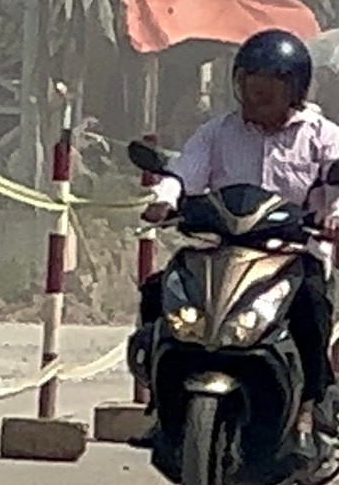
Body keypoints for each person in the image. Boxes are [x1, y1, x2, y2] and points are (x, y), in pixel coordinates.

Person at [141, 28, 339, 434]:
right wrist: (165, 199)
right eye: (251, 82)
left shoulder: (322, 136)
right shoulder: (218, 132)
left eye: (270, 84)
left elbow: (336, 183)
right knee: (159, 290)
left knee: (313, 306)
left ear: (295, 88)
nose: (258, 93)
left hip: (293, 255)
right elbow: (184, 172)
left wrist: (334, 215)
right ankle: (161, 398)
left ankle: (309, 403)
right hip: (222, 250)